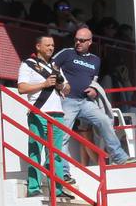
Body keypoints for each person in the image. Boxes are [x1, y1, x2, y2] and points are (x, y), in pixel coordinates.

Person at [53, 25, 130, 165]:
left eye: (82, 40)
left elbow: (93, 81)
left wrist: (94, 90)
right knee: (63, 135)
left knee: (105, 120)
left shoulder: (95, 60)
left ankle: (119, 157)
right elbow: (52, 67)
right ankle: (62, 171)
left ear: (90, 42)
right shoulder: (67, 53)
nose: (78, 43)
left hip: (85, 102)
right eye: (76, 40)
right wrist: (61, 83)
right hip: (67, 100)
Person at [17, 34, 72, 200]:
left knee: (56, 153)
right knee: (36, 150)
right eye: (47, 45)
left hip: (57, 114)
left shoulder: (55, 67)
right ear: (38, 46)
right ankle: (34, 186)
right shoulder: (28, 64)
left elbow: (67, 89)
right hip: (39, 113)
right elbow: (21, 88)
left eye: (53, 45)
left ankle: (58, 188)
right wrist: (44, 84)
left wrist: (62, 85)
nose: (51, 48)